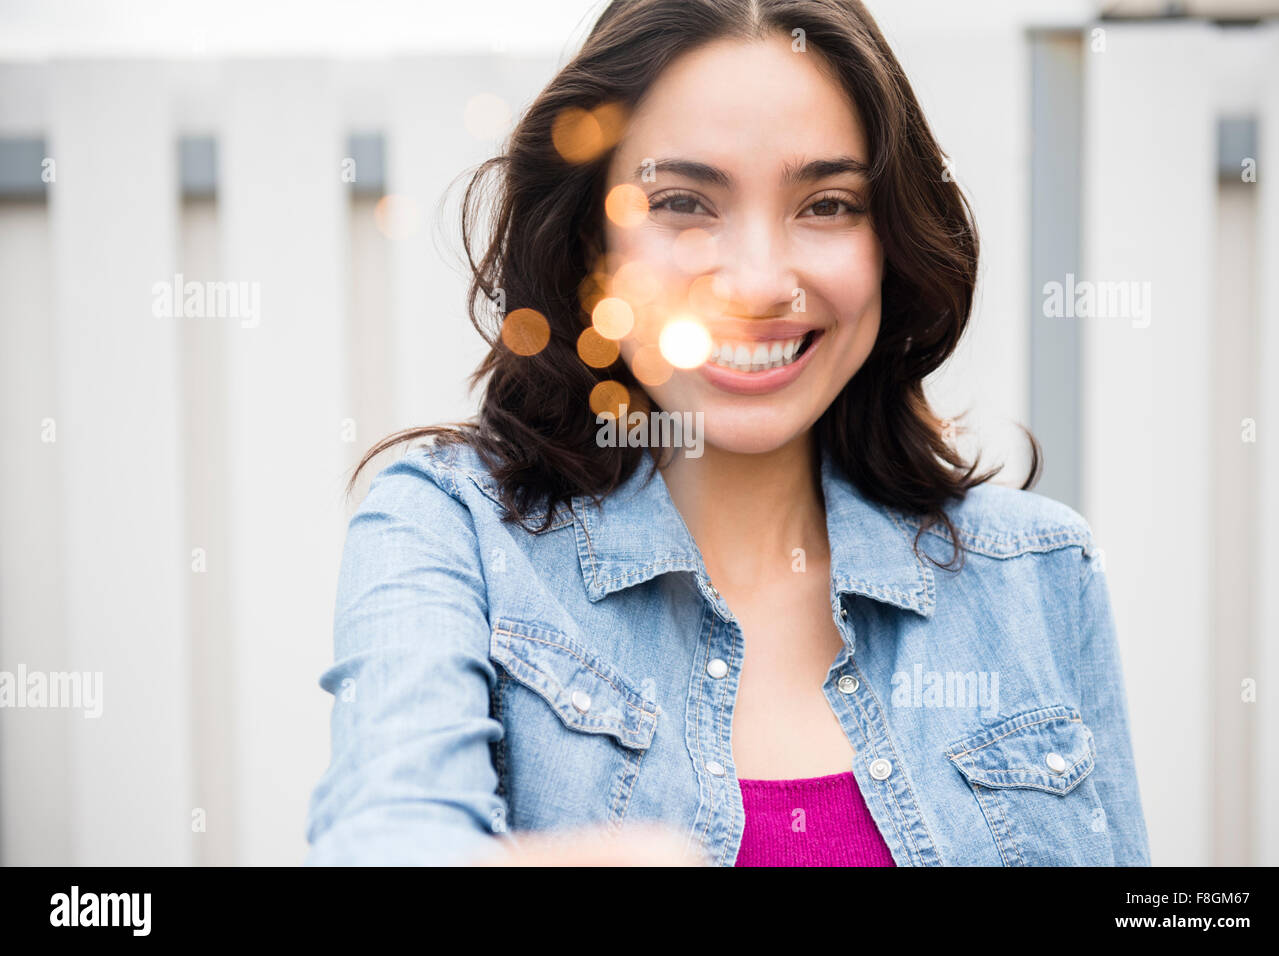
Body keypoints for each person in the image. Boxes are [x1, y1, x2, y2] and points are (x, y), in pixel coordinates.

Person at [305, 0, 1151, 867]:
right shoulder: (450, 534)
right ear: (590, 239)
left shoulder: (1043, 574)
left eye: (826, 205)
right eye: (682, 202)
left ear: (890, 241)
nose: (756, 282)